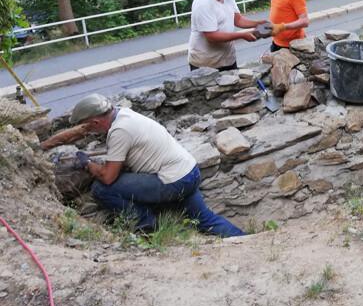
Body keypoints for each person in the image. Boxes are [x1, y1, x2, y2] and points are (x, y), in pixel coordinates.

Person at [41, 94, 244, 237]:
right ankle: (244, 240)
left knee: (101, 188)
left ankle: (147, 227)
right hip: (189, 172)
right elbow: (79, 132)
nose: (86, 130)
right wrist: (45, 145)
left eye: (88, 125)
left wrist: (87, 164)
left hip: (173, 181)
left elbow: (108, 177)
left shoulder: (120, 130)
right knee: (205, 219)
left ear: (95, 122)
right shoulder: (123, 114)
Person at [188, 0, 264, 71]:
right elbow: (211, 36)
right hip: (206, 65)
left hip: (228, 60)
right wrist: (242, 35)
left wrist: (259, 23)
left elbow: (238, 20)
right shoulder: (203, 2)